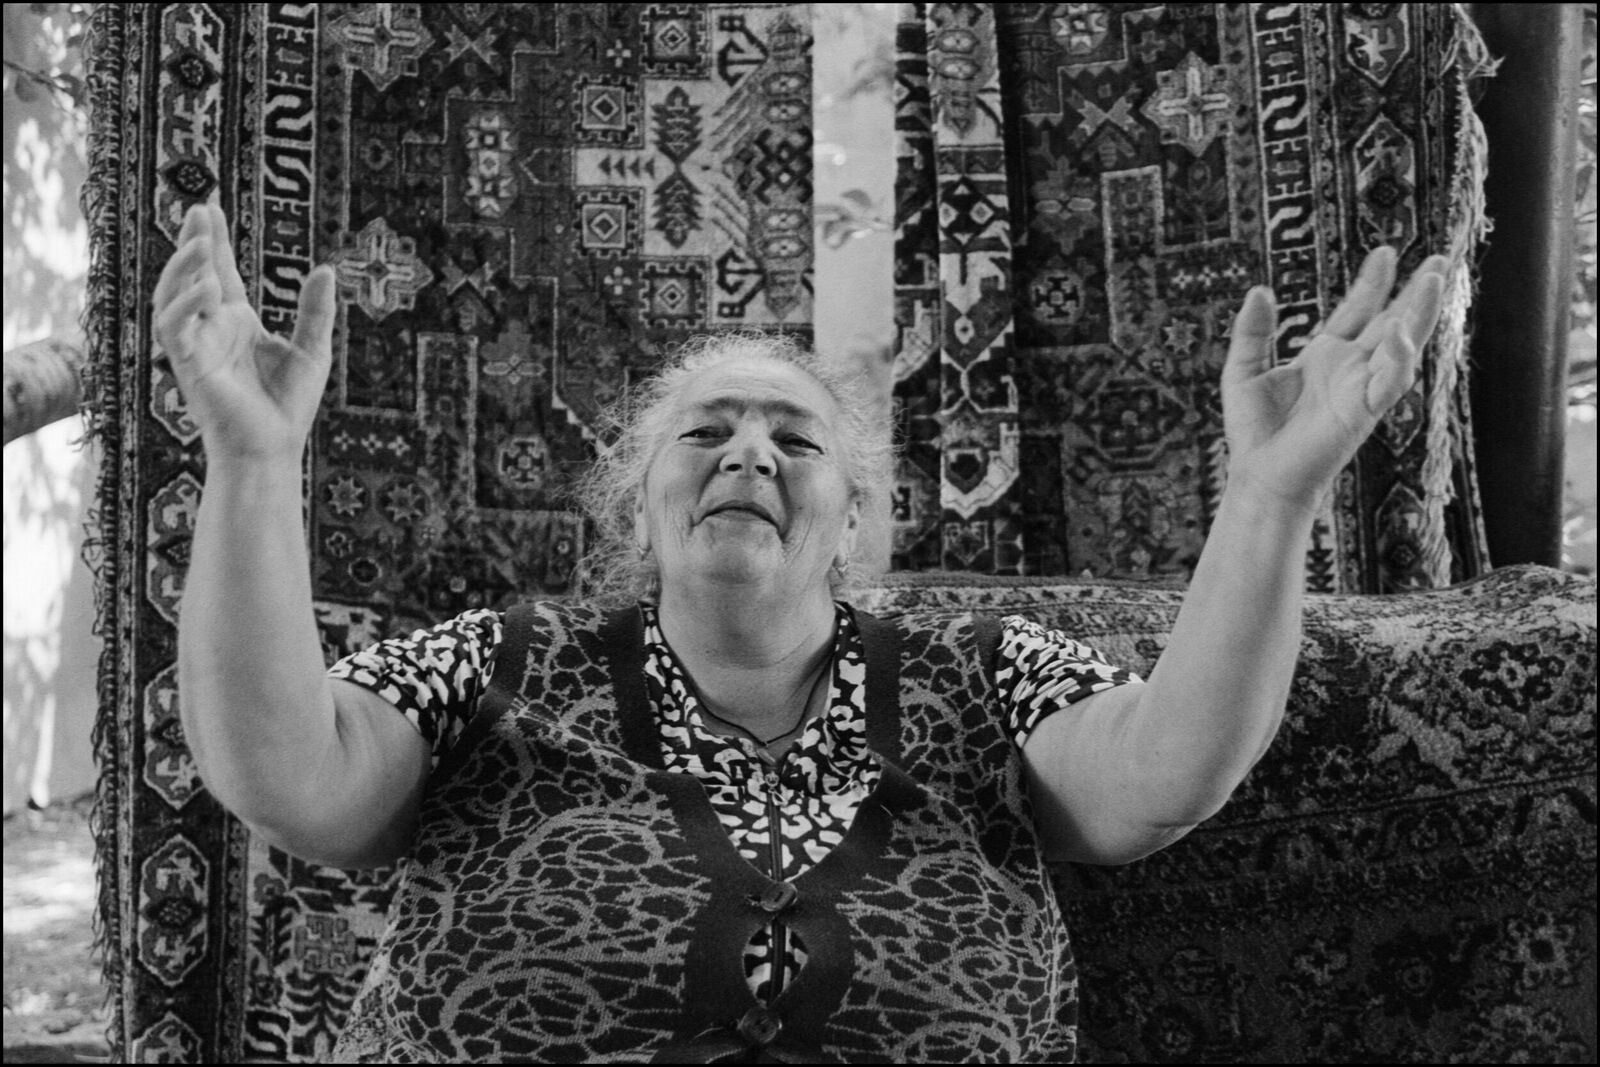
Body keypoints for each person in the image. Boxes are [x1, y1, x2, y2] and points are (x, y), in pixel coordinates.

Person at [153, 199, 1448, 1063]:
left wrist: (1271, 498)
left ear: (854, 519)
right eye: (706, 432)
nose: (750, 453)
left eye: (796, 438)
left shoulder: (987, 672)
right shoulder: (496, 663)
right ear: (638, 504)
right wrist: (252, 461)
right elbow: (290, 778)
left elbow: (1167, 773)